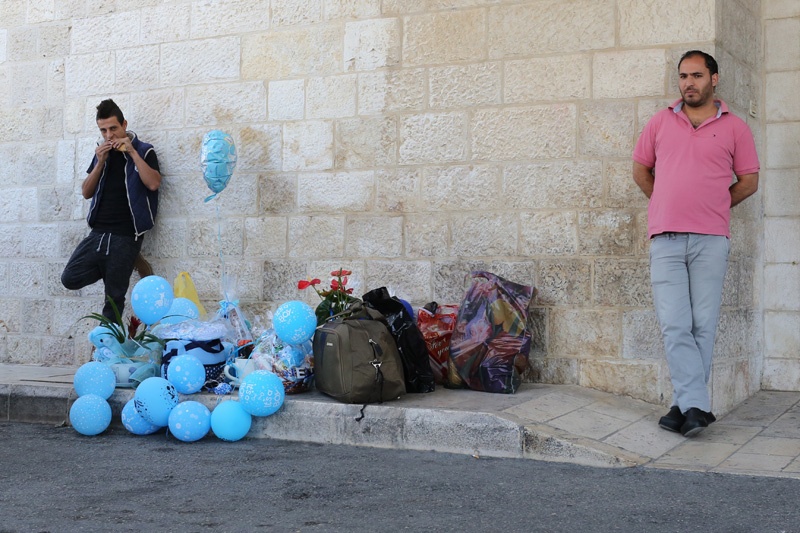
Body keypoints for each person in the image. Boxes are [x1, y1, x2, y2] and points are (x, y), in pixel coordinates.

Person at [632, 51, 760, 437]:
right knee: (675, 325)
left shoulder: (735, 127)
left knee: (702, 325)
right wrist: (664, 203)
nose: (689, 82)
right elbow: (640, 169)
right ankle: (698, 407)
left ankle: (681, 406)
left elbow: (749, 180)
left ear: (714, 79)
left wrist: (715, 205)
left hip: (711, 240)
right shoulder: (660, 121)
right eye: (684, 76)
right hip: (666, 240)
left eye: (697, 75)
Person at [61, 99, 161, 321]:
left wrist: (132, 152)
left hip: (126, 233)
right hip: (98, 231)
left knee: (113, 298)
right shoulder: (101, 154)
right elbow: (87, 192)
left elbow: (153, 183)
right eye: (103, 130)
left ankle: (105, 350)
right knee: (70, 277)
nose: (109, 135)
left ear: (124, 124)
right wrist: (100, 162)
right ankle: (127, 261)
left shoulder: (144, 151)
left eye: (113, 129)